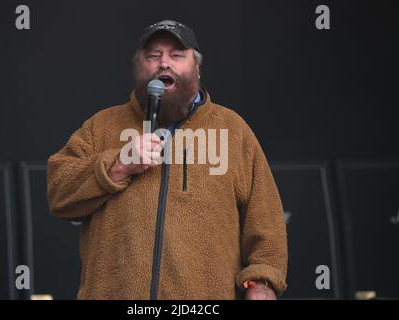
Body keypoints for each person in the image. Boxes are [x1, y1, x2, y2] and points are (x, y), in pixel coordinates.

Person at [47, 19, 287, 300]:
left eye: (176, 55)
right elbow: (58, 192)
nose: (164, 63)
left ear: (196, 68)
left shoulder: (233, 130)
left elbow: (266, 222)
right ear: (139, 68)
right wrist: (118, 165)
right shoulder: (101, 127)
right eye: (153, 56)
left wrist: (262, 282)